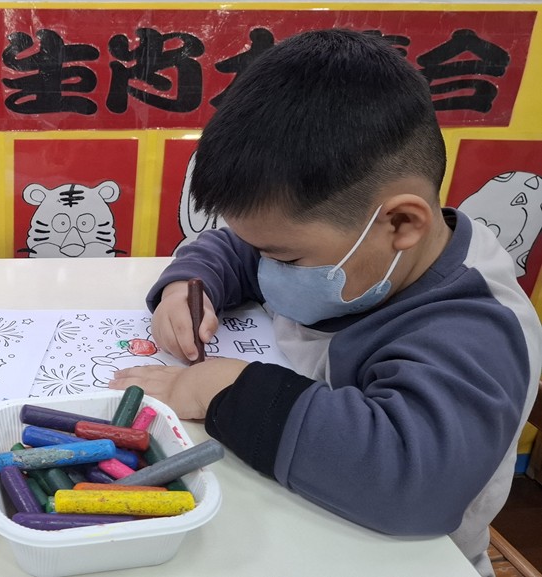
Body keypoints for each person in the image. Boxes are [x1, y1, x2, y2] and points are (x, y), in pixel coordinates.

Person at [108, 29, 541, 576]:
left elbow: (412, 479)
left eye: (285, 258)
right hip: (289, 518)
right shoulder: (361, 244)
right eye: (263, 251)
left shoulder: (477, 325)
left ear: (402, 223)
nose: (266, 267)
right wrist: (189, 283)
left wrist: (225, 388)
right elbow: (236, 247)